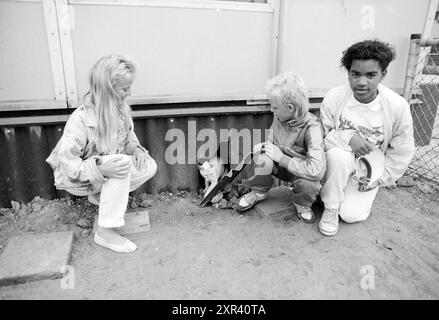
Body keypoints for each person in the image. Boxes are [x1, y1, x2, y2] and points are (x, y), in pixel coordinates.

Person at [46, 54, 157, 253]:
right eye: (125, 88)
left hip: (105, 173)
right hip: (78, 179)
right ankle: (105, 232)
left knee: (148, 164)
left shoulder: (121, 112)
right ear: (107, 90)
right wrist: (99, 167)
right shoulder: (80, 119)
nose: (129, 93)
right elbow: (67, 163)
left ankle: (102, 197)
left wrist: (137, 150)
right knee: (120, 163)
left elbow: (129, 138)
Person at [318, 39, 415, 236]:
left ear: (383, 74)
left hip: (369, 167)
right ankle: (330, 206)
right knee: (339, 155)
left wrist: (381, 179)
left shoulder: (396, 107)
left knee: (352, 216)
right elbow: (322, 137)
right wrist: (348, 137)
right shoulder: (335, 97)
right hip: (338, 159)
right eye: (355, 74)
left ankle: (336, 195)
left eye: (371, 75)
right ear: (349, 74)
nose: (362, 82)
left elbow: (402, 150)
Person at [235, 72, 326, 223]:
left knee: (309, 184)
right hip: (281, 167)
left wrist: (281, 158)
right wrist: (265, 148)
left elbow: (316, 170)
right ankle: (259, 192)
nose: (272, 110)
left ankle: (301, 204)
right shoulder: (280, 118)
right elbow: (272, 142)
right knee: (262, 159)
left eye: (275, 107)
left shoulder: (312, 128)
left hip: (302, 174)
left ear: (290, 108)